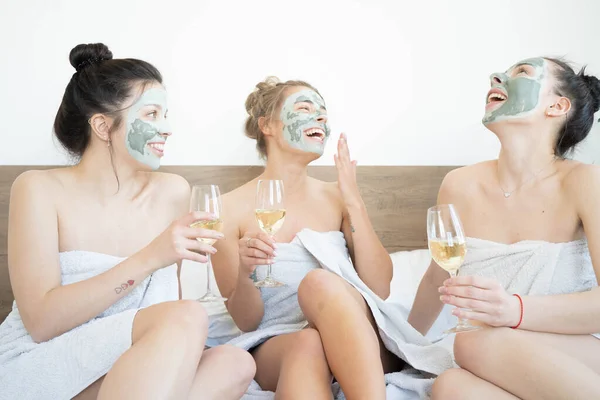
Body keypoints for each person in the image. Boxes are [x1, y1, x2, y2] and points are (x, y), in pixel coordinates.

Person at [0, 43, 255, 400]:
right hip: (49, 362)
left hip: (132, 366)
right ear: (103, 126)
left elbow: (167, 323)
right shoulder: (38, 189)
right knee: (188, 316)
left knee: (235, 362)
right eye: (151, 114)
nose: (166, 129)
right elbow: (41, 323)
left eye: (165, 115)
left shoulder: (174, 191)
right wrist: (153, 255)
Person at [406, 57, 600, 399]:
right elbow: (439, 276)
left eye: (521, 72)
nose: (496, 77)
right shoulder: (458, 185)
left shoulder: (585, 181)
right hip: (488, 356)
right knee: (449, 387)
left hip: (574, 351)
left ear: (557, 106)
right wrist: (404, 347)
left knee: (474, 342)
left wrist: (514, 310)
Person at [209, 77, 403, 399]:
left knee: (319, 283)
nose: (321, 118)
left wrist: (353, 201)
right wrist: (244, 272)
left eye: (324, 113)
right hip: (280, 340)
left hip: (356, 332)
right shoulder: (227, 209)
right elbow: (246, 320)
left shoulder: (338, 198)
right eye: (305, 108)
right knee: (308, 342)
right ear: (267, 125)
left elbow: (380, 287)